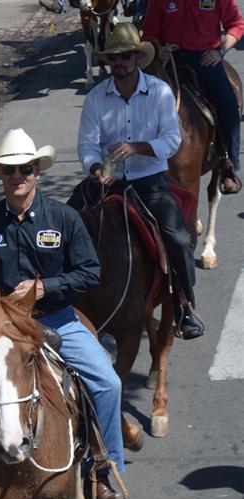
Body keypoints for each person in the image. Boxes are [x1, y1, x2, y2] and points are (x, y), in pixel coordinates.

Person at [0, 128, 126, 499]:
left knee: (108, 383)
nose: (17, 176)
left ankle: (104, 471)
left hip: (58, 319)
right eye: (9, 170)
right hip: (0, 326)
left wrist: (45, 288)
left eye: (25, 169)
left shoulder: (64, 218)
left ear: (38, 171)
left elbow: (90, 272)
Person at [77, 22, 204, 339]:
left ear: (137, 57)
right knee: (65, 222)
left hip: (149, 181)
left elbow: (171, 140)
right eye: (114, 57)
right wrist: (96, 168)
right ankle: (56, 300)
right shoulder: (95, 98)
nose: (119, 63)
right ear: (108, 61)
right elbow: (87, 145)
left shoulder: (159, 92)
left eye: (125, 56)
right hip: (108, 181)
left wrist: (137, 148)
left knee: (178, 238)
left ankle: (185, 306)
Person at [142, 0, 244, 194]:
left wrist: (220, 51)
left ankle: (227, 162)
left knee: (228, 103)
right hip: (170, 59)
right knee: (139, 99)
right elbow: (149, 33)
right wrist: (158, 49)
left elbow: (237, 25)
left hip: (205, 59)